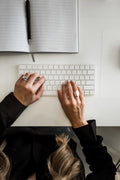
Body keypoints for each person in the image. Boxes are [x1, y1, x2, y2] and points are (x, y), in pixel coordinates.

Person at [0, 73, 116, 180]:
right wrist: (79, 123)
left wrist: (16, 102)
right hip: (61, 127)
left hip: (12, 124)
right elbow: (106, 171)